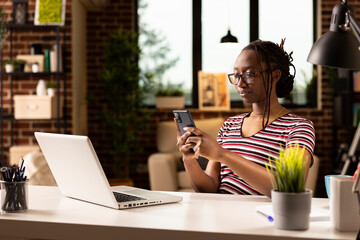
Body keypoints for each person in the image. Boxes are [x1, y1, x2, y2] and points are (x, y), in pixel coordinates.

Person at [175, 39, 315, 197]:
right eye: (236, 75)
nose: (240, 83)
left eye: (249, 74)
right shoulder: (230, 125)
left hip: (261, 218)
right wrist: (188, 159)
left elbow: (289, 186)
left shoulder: (298, 127)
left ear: (275, 75)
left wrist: (222, 154)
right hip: (219, 214)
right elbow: (209, 187)